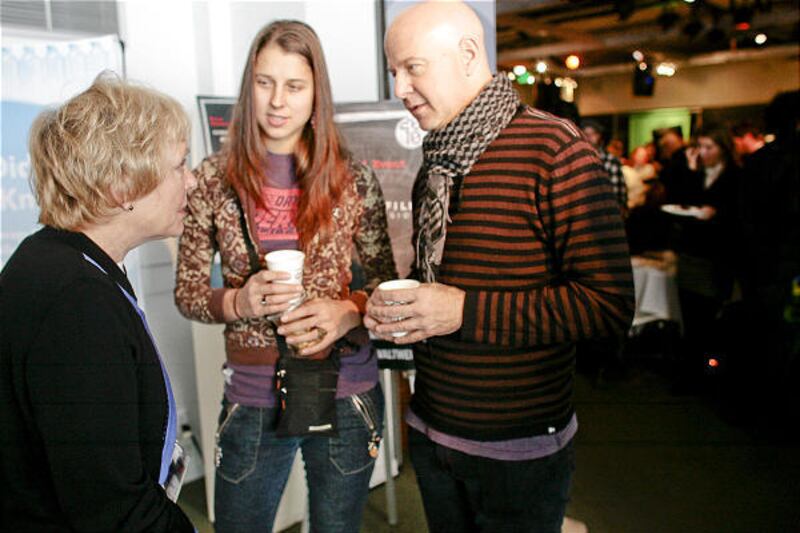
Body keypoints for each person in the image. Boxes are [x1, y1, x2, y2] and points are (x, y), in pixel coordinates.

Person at [367, 3, 635, 532]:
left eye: (412, 67)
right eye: (393, 71)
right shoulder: (436, 163)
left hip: (520, 451)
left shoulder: (557, 151)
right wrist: (399, 311)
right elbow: (442, 289)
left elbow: (609, 307)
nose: (399, 88)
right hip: (433, 431)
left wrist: (463, 311)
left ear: (468, 54)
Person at [174, 20, 396, 533]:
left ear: (317, 94)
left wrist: (348, 311)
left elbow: (386, 287)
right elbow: (187, 292)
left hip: (347, 390)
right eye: (264, 81)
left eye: (294, 86)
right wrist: (239, 303)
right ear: (248, 85)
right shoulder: (212, 179)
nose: (277, 101)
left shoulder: (352, 179)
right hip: (254, 398)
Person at [0, 75, 196, 531]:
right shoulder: (75, 305)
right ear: (122, 186)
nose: (192, 179)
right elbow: (113, 509)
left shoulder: (56, 262)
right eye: (179, 165)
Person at [668, 127, 742, 388]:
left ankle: (712, 373)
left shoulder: (734, 176)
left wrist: (716, 214)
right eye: (699, 147)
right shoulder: (696, 174)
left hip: (717, 257)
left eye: (709, 147)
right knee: (691, 316)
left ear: (722, 148)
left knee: (712, 320)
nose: (703, 153)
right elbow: (683, 203)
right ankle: (692, 372)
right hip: (691, 254)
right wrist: (690, 169)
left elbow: (740, 216)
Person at [582, 119, 628, 214]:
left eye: (592, 134)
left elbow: (618, 194)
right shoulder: (578, 160)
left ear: (599, 136)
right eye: (585, 134)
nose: (588, 137)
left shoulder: (611, 161)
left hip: (607, 213)